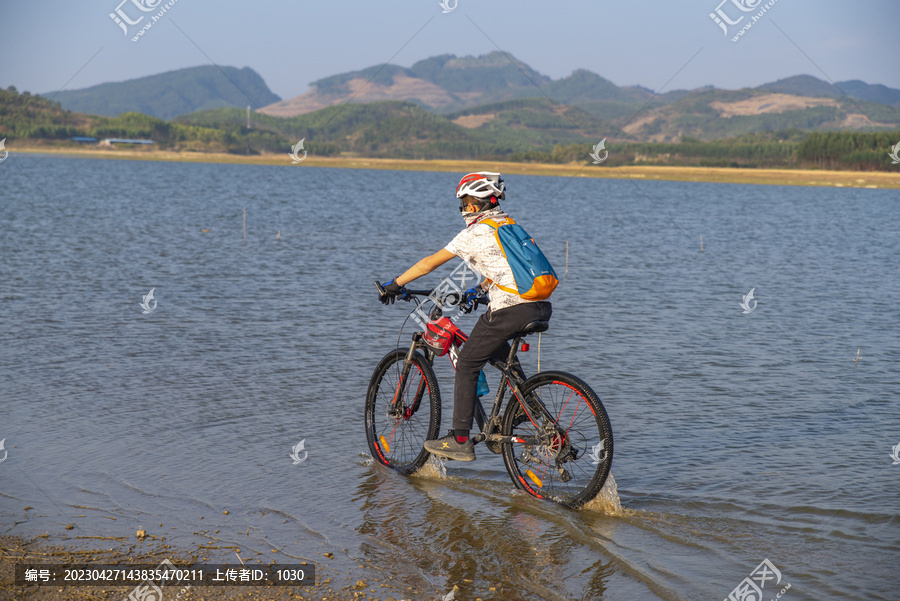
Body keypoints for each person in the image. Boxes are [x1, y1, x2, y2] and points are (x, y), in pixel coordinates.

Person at [378, 172, 553, 461]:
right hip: (538, 305)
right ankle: (528, 404)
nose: (462, 210)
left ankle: (460, 439)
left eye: (463, 204)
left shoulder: (474, 232)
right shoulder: (508, 224)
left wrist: (395, 284)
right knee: (493, 345)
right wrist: (480, 289)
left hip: (510, 309)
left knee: (468, 363)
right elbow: (505, 268)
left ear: (472, 206)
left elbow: (427, 264)